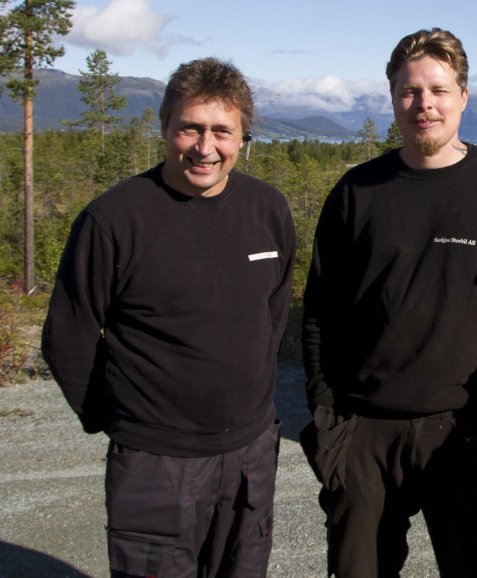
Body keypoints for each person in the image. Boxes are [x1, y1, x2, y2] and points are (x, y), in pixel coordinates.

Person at [301, 28, 477, 578]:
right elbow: (321, 312)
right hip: (364, 432)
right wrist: (329, 421)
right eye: (410, 92)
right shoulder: (357, 193)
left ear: (464, 97)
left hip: (466, 432)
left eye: (439, 91)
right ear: (392, 97)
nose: (424, 105)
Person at [42, 57, 296, 578]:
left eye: (222, 131)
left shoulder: (268, 210)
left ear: (243, 137)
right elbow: (67, 337)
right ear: (165, 128)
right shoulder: (113, 219)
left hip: (250, 451)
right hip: (154, 461)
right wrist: (118, 419)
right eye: (190, 129)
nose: (206, 148)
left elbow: (272, 317)